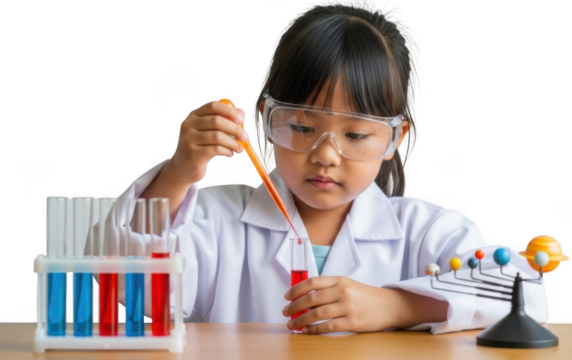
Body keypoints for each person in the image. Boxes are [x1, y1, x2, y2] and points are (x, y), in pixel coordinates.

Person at [88, 0, 548, 335]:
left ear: (394, 138)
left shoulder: (424, 230)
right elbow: (124, 295)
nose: (326, 155)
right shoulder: (213, 220)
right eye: (303, 127)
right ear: (267, 120)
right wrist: (180, 170)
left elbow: (524, 295)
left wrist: (394, 306)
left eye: (355, 134)